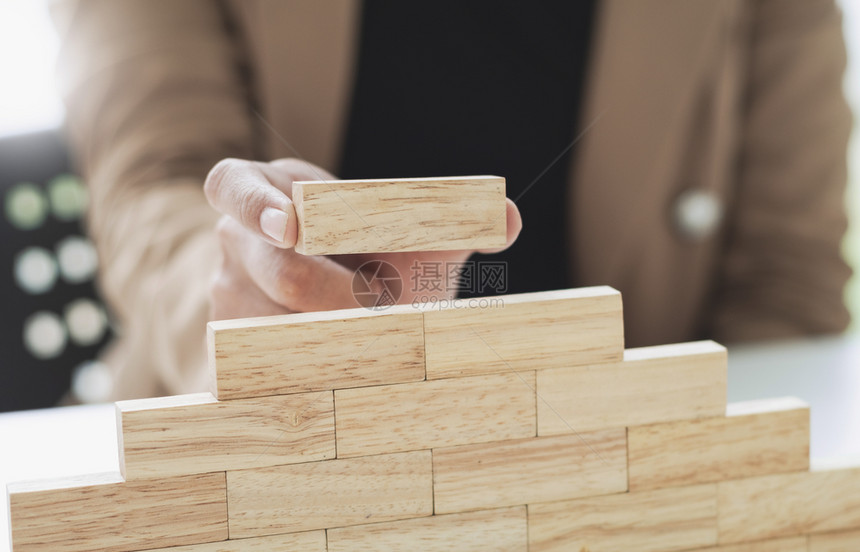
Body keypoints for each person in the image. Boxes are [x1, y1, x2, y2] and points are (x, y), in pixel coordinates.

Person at [51, 0, 853, 401]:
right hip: (258, 451)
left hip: (622, 472)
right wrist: (245, 284)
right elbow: (158, 177)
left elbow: (783, 281)